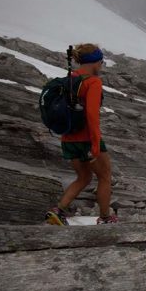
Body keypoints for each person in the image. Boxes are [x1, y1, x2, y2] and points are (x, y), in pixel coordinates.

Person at [45, 44, 116, 225]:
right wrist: (95, 145)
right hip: (87, 139)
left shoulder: (70, 79)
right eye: (101, 62)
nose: (101, 66)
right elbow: (92, 115)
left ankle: (58, 211)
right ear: (95, 62)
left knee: (83, 177)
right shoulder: (93, 82)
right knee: (105, 177)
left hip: (68, 138)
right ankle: (106, 218)